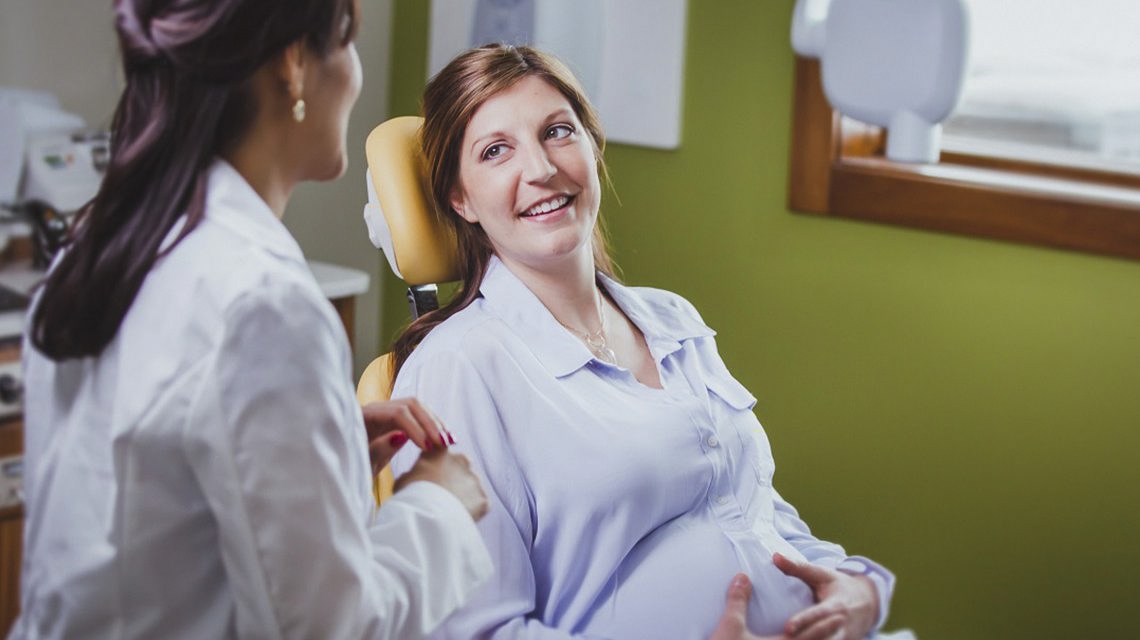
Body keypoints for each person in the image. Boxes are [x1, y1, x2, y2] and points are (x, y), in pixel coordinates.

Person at [13, 1, 494, 638]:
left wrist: (326, 451)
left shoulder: (98, 241)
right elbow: (332, 626)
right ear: (294, 65)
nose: (354, 73)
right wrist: (440, 504)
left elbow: (142, 491)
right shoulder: (263, 302)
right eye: (348, 44)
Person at [388, 44, 899, 639]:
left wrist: (858, 586)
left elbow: (752, 510)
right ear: (460, 198)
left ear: (592, 147)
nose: (541, 169)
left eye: (557, 132)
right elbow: (474, 631)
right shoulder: (459, 370)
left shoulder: (673, 320)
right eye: (496, 151)